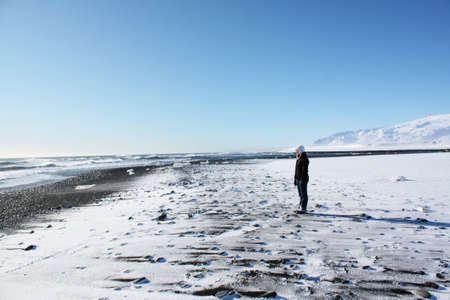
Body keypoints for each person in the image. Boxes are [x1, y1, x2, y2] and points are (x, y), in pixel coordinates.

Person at [294, 145, 309, 212]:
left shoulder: (305, 159)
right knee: (300, 194)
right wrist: (295, 179)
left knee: (304, 194)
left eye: (297, 151)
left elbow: (304, 171)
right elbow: (296, 170)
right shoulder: (298, 158)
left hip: (303, 179)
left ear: (300, 150)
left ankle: (304, 208)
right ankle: (300, 206)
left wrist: (302, 180)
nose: (296, 152)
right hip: (298, 179)